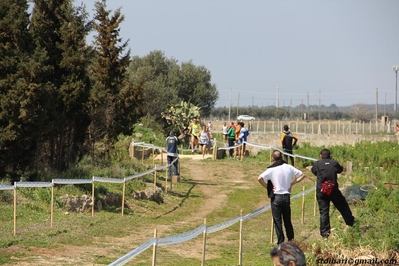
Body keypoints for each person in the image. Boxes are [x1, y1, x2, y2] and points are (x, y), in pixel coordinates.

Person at [258, 150, 306, 244]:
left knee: (277, 221)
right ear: (282, 157)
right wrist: (292, 183)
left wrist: (268, 187)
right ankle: (291, 240)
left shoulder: (271, 169)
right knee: (287, 220)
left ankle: (280, 242)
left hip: (276, 197)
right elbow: (302, 175)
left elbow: (259, 178)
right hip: (286, 197)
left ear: (272, 158)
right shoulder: (289, 167)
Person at [311, 149, 355, 239]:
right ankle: (350, 222)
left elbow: (314, 171)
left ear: (320, 155)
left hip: (322, 191)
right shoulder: (334, 163)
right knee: (343, 206)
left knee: (324, 212)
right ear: (330, 156)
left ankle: (325, 234)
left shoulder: (317, 163)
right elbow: (340, 169)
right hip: (333, 190)